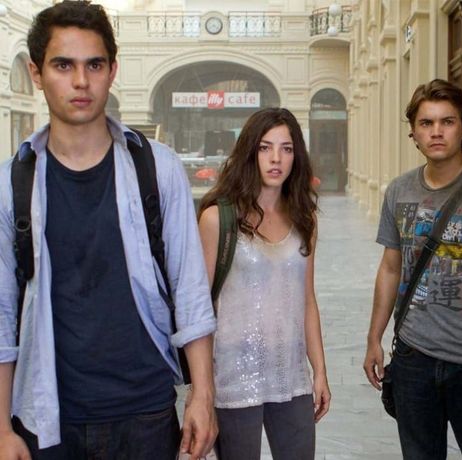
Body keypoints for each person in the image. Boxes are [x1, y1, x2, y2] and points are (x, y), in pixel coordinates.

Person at [0, 2, 218, 459]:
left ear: (112, 71)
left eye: (94, 65)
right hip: (47, 416)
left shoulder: (158, 168)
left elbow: (190, 287)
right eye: (63, 65)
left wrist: (203, 394)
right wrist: (1, 427)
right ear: (37, 73)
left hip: (146, 413)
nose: (81, 81)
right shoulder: (11, 184)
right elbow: (1, 311)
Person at [363, 79, 462, 459]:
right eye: (426, 123)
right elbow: (390, 268)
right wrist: (374, 338)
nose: (436, 131)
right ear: (414, 133)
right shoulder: (399, 191)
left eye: (447, 122)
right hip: (413, 357)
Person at [198, 108, 330, 460]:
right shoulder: (217, 219)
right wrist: (202, 389)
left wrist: (319, 371)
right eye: (265, 147)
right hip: (233, 375)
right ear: (250, 152)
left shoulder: (304, 218)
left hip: (290, 375)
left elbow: (307, 300)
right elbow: (201, 309)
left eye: (286, 149)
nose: (276, 159)